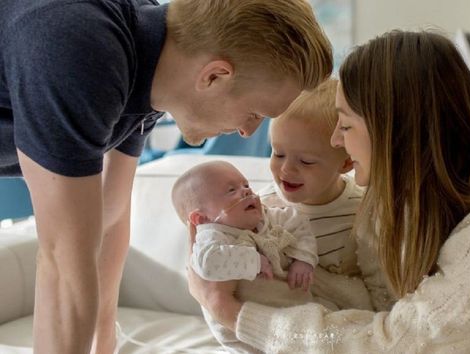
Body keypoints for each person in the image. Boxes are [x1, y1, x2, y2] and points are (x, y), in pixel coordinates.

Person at [187, 30, 470, 353]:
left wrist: (234, 312)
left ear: (392, 130)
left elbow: (399, 342)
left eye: (345, 125)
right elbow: (378, 307)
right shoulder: (405, 199)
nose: (334, 141)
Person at [0, 0, 332, 352]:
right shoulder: (83, 51)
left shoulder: (150, 63)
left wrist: (103, 345)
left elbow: (108, 221)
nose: (249, 132)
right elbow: (64, 265)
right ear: (215, 76)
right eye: (254, 112)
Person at [259, 78, 393, 311]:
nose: (286, 169)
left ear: (346, 163)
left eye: (306, 161)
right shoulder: (262, 204)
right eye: (278, 154)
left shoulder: (362, 212)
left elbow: (376, 291)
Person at [172, 160, 319, 353]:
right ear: (201, 218)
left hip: (288, 307)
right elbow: (207, 263)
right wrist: (254, 260)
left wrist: (303, 259)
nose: (246, 191)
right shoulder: (212, 236)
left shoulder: (267, 216)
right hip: (241, 331)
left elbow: (298, 223)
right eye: (231, 190)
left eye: (246, 185)